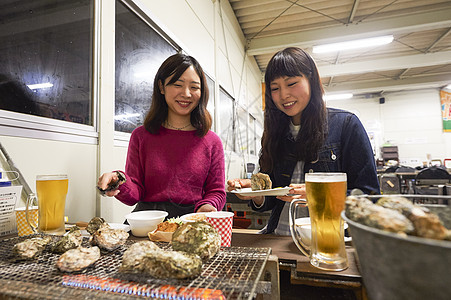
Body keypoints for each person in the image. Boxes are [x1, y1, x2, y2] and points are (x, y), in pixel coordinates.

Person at [228, 47, 380, 235]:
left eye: (291, 83)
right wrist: (257, 193)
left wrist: (320, 195)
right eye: (275, 88)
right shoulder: (275, 133)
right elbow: (272, 199)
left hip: (328, 240)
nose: (283, 95)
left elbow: (371, 197)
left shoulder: (346, 125)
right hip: (280, 238)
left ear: (312, 81)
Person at [97, 53, 226, 219]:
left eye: (194, 87)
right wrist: (118, 180)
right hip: (147, 221)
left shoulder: (211, 141)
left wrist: (209, 206)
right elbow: (135, 192)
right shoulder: (141, 136)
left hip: (193, 221)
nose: (186, 94)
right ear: (161, 87)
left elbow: (216, 191)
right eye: (177, 85)